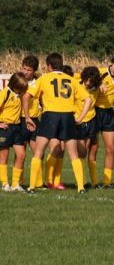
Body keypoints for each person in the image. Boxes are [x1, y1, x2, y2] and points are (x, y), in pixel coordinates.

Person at [23, 53, 92, 194]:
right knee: (73, 154)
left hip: (50, 116)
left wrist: (27, 117)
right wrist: (80, 117)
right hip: (67, 116)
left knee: (38, 151)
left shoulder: (44, 78)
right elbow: (88, 100)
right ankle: (80, 187)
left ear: (49, 66)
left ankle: (31, 187)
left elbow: (26, 96)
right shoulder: (70, 80)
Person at [88, 53, 114, 188]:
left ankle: (107, 182)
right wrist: (97, 86)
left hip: (109, 114)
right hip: (95, 112)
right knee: (93, 147)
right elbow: (85, 84)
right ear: (111, 62)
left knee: (111, 148)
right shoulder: (99, 73)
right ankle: (94, 182)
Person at [73, 66, 102, 187]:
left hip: (91, 121)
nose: (88, 83)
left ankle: (93, 182)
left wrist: (102, 86)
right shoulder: (75, 81)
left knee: (90, 150)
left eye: (91, 81)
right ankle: (82, 181)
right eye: (86, 80)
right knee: (82, 151)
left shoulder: (96, 88)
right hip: (78, 121)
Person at [0, 73, 29, 192]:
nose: (22, 90)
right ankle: (5, 183)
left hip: (17, 128)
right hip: (5, 129)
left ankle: (16, 184)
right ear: (14, 84)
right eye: (20, 88)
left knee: (21, 155)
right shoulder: (5, 93)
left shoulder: (19, 94)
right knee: (4, 157)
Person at [18, 56, 43, 188]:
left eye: (29, 70)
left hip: (34, 119)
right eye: (24, 68)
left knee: (38, 152)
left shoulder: (39, 81)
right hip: (21, 120)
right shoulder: (18, 81)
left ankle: (39, 182)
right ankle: (19, 182)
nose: (26, 72)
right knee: (21, 153)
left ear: (34, 71)